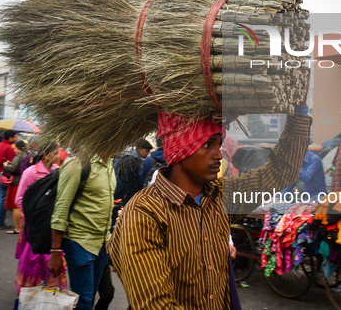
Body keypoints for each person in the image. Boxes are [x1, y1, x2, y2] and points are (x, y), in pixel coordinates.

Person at [108, 104, 311, 309]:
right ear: (181, 148)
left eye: (218, 145)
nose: (218, 155)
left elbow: (279, 173)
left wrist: (298, 114)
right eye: (207, 145)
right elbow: (155, 305)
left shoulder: (219, 196)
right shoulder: (144, 212)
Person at [47, 154, 116, 310]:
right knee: (83, 301)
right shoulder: (77, 164)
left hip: (102, 244)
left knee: (89, 297)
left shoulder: (110, 163)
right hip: (79, 241)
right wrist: (55, 250)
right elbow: (61, 208)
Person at [14, 142, 67, 295]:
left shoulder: (58, 171)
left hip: (52, 226)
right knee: (33, 260)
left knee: (52, 259)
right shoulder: (31, 172)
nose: (57, 156)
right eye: (55, 153)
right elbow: (20, 199)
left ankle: (50, 292)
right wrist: (33, 218)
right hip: (35, 226)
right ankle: (30, 293)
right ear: (46, 155)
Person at [0, 130, 17, 229]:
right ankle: (0, 223)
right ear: (10, 138)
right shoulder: (9, 148)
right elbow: (11, 165)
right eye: (15, 137)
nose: (16, 139)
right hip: (4, 176)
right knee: (2, 200)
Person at [114, 139, 153, 206]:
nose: (147, 154)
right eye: (147, 151)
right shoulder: (130, 160)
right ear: (140, 149)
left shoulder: (133, 159)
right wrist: (130, 197)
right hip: (125, 194)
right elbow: (127, 181)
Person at [4, 140, 28, 234]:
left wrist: (6, 166)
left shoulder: (19, 156)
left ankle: (18, 228)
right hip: (25, 181)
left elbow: (12, 168)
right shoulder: (28, 155)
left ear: (18, 148)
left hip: (17, 182)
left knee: (16, 206)